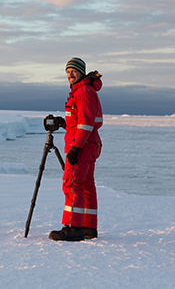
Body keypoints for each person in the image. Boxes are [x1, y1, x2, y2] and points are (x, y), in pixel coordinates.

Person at [49, 57, 103, 241]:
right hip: (88, 144)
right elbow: (81, 122)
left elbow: (86, 124)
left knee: (71, 184)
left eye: (74, 71)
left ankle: (73, 227)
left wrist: (76, 148)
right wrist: (65, 124)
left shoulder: (84, 92)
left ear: (81, 72)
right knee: (86, 185)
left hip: (83, 145)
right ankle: (88, 227)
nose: (70, 75)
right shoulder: (81, 91)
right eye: (68, 72)